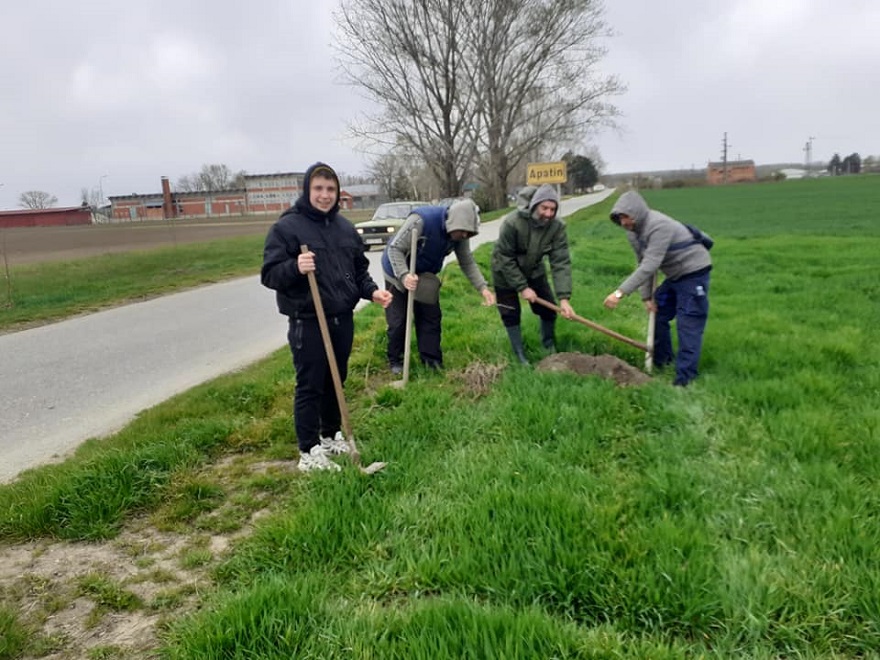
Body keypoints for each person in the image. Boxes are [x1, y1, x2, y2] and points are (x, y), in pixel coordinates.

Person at [261, 162, 392, 472]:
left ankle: (331, 434)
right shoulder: (287, 228)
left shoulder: (345, 228)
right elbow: (269, 274)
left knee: (337, 379)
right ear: (308, 191)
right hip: (308, 319)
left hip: (341, 317)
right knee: (310, 384)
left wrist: (372, 292)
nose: (324, 195)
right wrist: (296, 267)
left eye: (330, 189)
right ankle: (308, 451)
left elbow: (358, 270)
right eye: (318, 188)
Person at [603, 190, 712, 387]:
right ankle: (663, 361)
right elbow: (642, 263)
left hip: (694, 273)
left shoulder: (658, 225)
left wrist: (619, 293)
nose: (624, 222)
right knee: (658, 314)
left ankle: (684, 381)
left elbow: (650, 265)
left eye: (626, 217)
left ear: (637, 212)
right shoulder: (633, 233)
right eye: (620, 218)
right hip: (675, 275)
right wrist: (646, 297)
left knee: (688, 324)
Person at [382, 199, 496, 373]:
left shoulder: (460, 234)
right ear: (453, 223)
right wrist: (404, 276)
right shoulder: (421, 220)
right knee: (399, 320)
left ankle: (431, 361)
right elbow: (394, 249)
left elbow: (466, 261)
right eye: (464, 232)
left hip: (425, 275)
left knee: (430, 317)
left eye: (469, 233)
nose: (465, 236)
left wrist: (483, 288)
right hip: (396, 271)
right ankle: (395, 360)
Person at [490, 184, 575, 364]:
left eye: (553, 209)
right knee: (510, 313)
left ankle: (548, 345)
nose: (548, 214)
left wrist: (564, 298)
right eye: (545, 208)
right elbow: (505, 256)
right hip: (504, 272)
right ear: (535, 205)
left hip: (534, 270)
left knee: (549, 309)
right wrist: (522, 288)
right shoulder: (512, 223)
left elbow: (560, 262)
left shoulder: (557, 227)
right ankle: (520, 354)